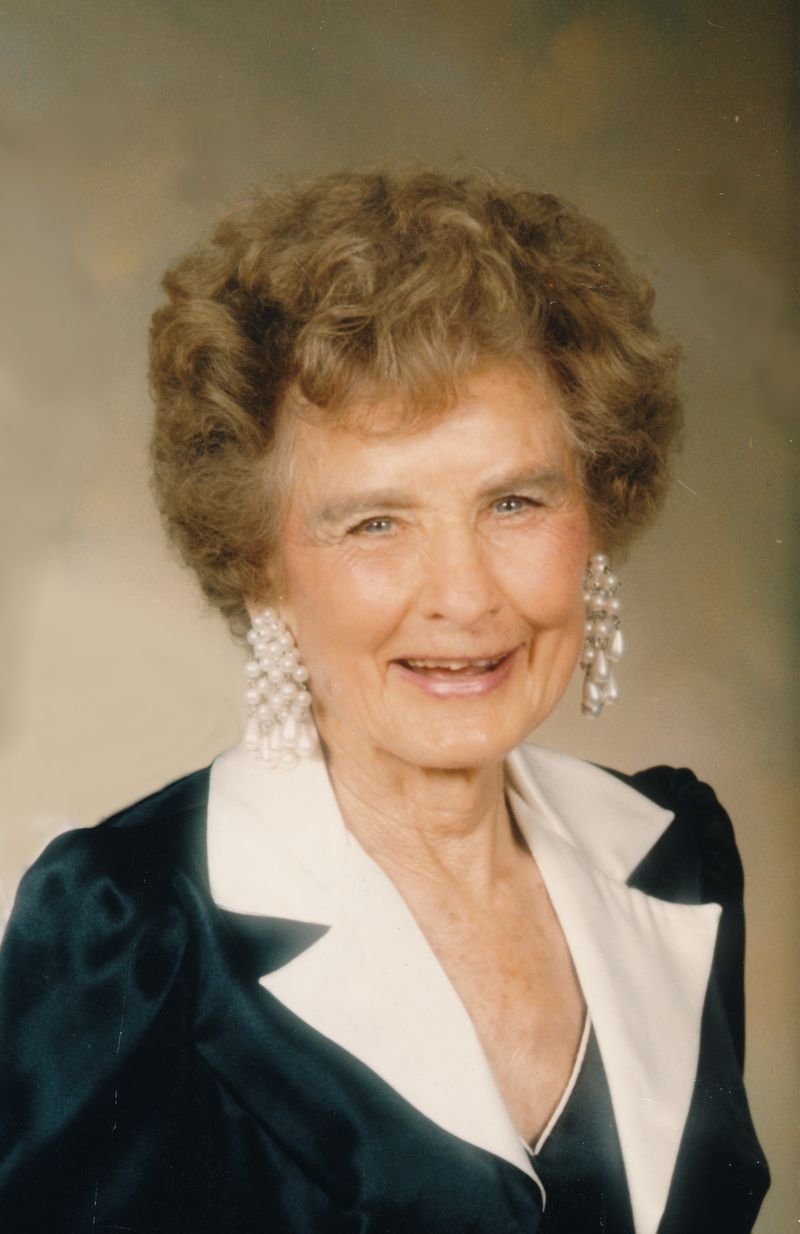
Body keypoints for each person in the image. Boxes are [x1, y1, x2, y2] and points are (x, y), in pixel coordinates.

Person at [0, 170, 769, 1234]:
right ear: (261, 568)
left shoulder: (675, 856)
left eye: (514, 501)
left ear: (594, 518)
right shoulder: (132, 932)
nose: (464, 596)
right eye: (375, 523)